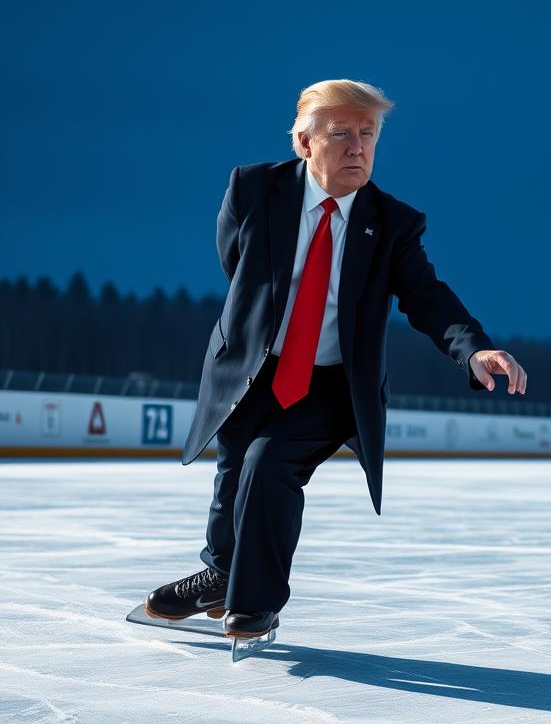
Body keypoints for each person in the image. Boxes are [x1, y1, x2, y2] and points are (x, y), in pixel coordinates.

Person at [145, 79, 527, 640]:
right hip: (250, 367)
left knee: (269, 465)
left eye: (367, 134)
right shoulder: (253, 189)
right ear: (303, 142)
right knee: (233, 474)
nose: (357, 147)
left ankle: (255, 601)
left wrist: (474, 348)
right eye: (341, 133)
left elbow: (426, 295)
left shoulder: (394, 223)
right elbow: (236, 264)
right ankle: (221, 571)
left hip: (330, 384)